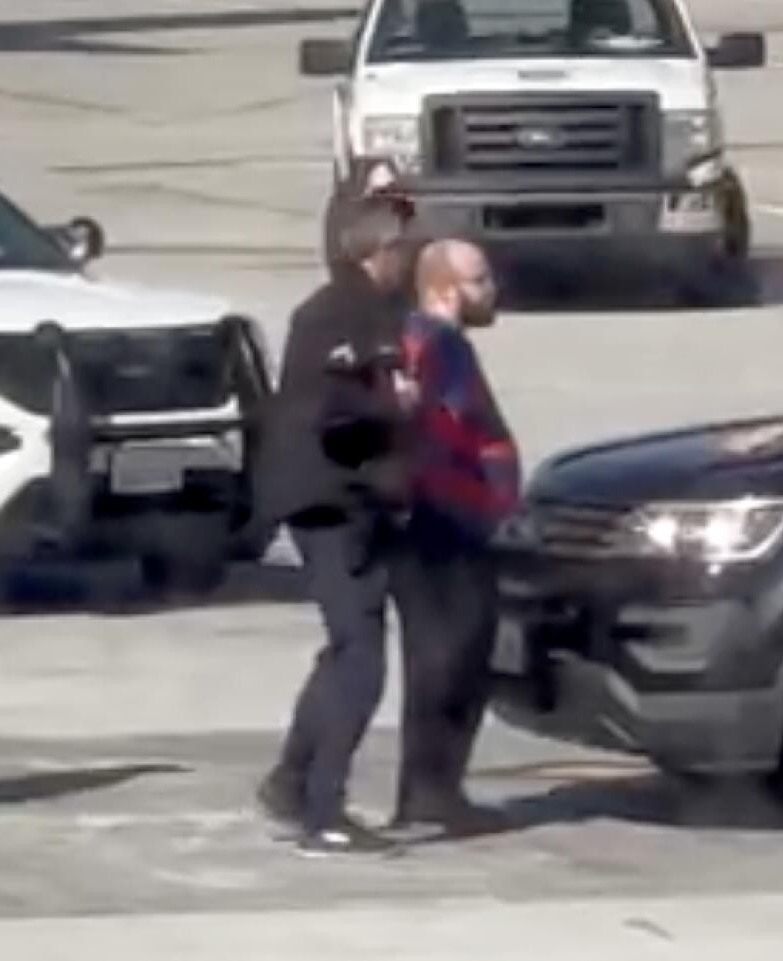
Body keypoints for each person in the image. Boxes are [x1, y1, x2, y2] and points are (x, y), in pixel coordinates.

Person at [257, 196, 415, 856]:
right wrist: (395, 404)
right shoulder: (345, 312)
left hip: (337, 500)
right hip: (331, 503)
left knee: (345, 648)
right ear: (379, 251)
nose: (414, 255)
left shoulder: (350, 307)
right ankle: (323, 809)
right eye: (408, 245)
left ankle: (291, 781)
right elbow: (335, 411)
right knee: (362, 661)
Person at [389, 239, 521, 835]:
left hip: (449, 518)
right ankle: (431, 790)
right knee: (452, 656)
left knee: (446, 656)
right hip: (446, 522)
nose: (492, 290)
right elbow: (447, 428)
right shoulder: (437, 346)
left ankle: (431, 789)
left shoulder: (433, 342)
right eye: (480, 280)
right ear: (445, 290)